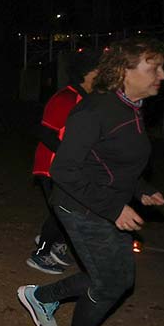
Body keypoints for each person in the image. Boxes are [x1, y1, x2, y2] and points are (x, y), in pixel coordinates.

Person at [17, 38, 164, 326]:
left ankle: (42, 297)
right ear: (124, 71)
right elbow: (64, 169)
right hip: (82, 208)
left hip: (105, 204)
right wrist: (114, 209)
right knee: (111, 280)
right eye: (153, 68)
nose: (162, 75)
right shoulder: (95, 110)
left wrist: (141, 189)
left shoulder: (131, 106)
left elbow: (109, 160)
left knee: (117, 276)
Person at [26, 49, 100, 274]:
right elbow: (46, 133)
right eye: (100, 69)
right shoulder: (65, 98)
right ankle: (40, 253)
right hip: (51, 166)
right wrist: (71, 155)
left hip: (70, 167)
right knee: (61, 210)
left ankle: (55, 241)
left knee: (69, 209)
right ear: (87, 73)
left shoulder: (90, 98)